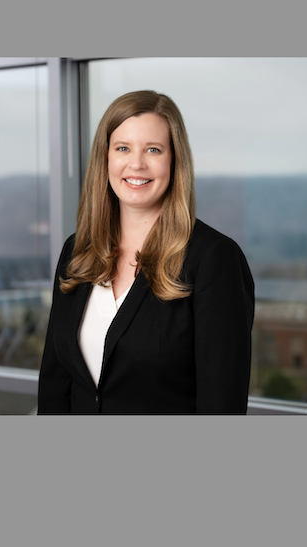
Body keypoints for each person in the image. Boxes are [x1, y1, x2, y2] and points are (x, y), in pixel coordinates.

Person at [38, 90, 254, 413]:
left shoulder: (214, 260)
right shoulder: (78, 251)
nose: (136, 164)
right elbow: (54, 386)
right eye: (123, 148)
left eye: (153, 149)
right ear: (105, 159)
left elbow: (221, 406)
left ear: (175, 161)